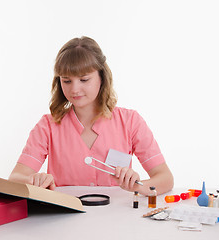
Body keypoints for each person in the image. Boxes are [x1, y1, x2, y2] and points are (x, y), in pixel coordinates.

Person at [9, 36, 174, 196]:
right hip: (64, 220)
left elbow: (165, 178)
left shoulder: (130, 121)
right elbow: (15, 178)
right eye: (66, 81)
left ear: (101, 77)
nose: (74, 89)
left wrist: (139, 186)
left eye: (84, 79)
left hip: (117, 219)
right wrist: (34, 179)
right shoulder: (47, 125)